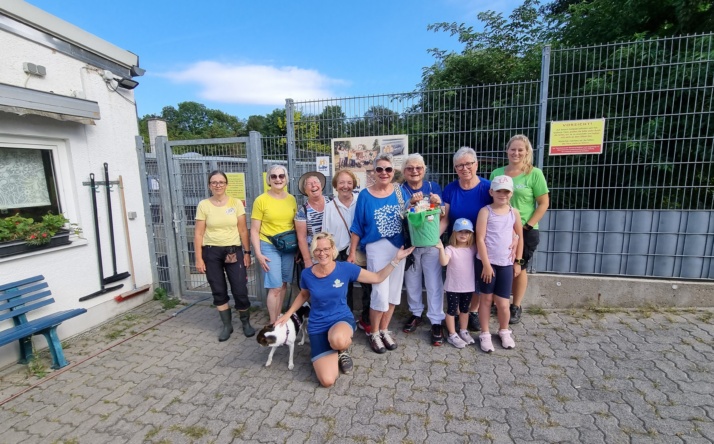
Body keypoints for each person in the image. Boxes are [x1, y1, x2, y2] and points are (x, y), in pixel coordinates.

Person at [276, 232, 414, 387]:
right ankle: (332, 350)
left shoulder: (345, 268)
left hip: (340, 319)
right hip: (317, 325)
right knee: (327, 381)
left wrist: (396, 259)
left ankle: (342, 349)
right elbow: (303, 294)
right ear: (313, 252)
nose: (323, 253)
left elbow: (377, 278)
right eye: (318, 250)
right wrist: (287, 314)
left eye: (326, 249)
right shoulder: (307, 274)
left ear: (333, 249)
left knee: (338, 340)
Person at [349, 153, 407, 354]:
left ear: (393, 172)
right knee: (380, 293)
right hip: (375, 248)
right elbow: (357, 225)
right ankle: (373, 332)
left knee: (393, 294)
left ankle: (384, 329)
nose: (384, 173)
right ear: (373, 172)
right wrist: (351, 251)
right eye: (380, 169)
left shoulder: (400, 192)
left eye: (388, 169)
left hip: (398, 247)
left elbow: (411, 215)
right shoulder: (365, 195)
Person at [490, 135, 550, 324]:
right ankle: (499, 302)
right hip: (500, 229)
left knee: (519, 267)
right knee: (498, 265)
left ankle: (515, 306)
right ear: (507, 151)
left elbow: (543, 203)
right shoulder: (497, 173)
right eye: (513, 149)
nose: (516, 153)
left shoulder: (534, 174)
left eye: (520, 150)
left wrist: (526, 226)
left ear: (527, 152)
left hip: (525, 229)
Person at [194, 170, 254, 341]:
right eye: (214, 182)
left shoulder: (236, 203)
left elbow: (243, 229)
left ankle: (246, 323)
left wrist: (247, 252)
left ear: (226, 185)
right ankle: (227, 325)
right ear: (209, 185)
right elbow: (198, 234)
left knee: (240, 289)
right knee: (218, 290)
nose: (218, 185)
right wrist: (199, 258)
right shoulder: (204, 205)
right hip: (211, 252)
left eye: (221, 182)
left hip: (233, 251)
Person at [439, 147, 493, 331]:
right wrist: (433, 239)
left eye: (468, 164)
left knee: (476, 280)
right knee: (458, 278)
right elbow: (445, 218)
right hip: (458, 243)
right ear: (455, 168)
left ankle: (473, 312)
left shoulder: (487, 188)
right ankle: (455, 317)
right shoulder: (451, 189)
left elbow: (501, 211)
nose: (464, 168)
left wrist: (514, 236)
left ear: (476, 164)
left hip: (482, 244)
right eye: (460, 165)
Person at [399, 154, 446, 346]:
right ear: (404, 171)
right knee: (411, 280)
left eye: (418, 168)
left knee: (434, 281)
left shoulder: (433, 187)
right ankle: (416, 313)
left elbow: (441, 213)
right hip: (410, 243)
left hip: (431, 244)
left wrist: (438, 202)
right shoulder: (400, 190)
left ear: (424, 170)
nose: (414, 171)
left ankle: (436, 320)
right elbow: (400, 216)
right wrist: (409, 204)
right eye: (410, 168)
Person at [475, 176, 524, 353]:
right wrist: (487, 265)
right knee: (486, 300)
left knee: (503, 303)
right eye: (499, 191)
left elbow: (520, 237)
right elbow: (480, 239)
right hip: (487, 264)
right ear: (491, 192)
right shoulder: (485, 211)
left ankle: (504, 331)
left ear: (511, 193)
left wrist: (518, 262)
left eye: (506, 191)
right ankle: (485, 333)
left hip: (506, 264)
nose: (502, 194)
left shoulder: (514, 213)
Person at [322, 169, 373, 333]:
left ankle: (367, 320)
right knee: (344, 291)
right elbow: (325, 233)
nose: (345, 186)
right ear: (336, 185)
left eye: (349, 182)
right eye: (342, 183)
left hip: (361, 251)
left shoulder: (361, 201)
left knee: (368, 288)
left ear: (354, 185)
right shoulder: (329, 207)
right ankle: (346, 321)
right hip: (340, 253)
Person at [250, 164, 297, 324]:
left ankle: (278, 318)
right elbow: (254, 230)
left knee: (283, 284)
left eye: (281, 176)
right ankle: (272, 323)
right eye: (274, 176)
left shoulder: (291, 199)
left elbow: (294, 225)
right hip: (269, 245)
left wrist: (296, 249)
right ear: (268, 180)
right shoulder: (261, 200)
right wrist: (258, 253)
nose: (278, 179)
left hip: (288, 247)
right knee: (275, 286)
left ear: (286, 179)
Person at [436, 218, 477, 348]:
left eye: (467, 232)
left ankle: (463, 331)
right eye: (460, 232)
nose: (463, 235)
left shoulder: (473, 248)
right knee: (452, 310)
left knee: (465, 310)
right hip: (453, 286)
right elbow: (443, 262)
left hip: (468, 286)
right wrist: (441, 248)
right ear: (454, 233)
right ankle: (452, 334)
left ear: (471, 234)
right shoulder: (450, 249)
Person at [295, 171, 331, 269]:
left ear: (321, 186)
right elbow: (302, 238)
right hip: (315, 256)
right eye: (309, 184)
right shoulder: (302, 211)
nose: (313, 185)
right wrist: (307, 260)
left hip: (334, 254)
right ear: (305, 190)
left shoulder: (333, 203)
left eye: (316, 182)